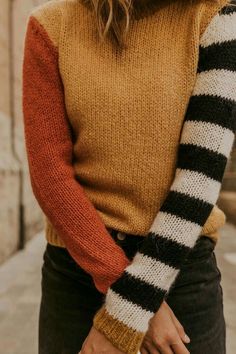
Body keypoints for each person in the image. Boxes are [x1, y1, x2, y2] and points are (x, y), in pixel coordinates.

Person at [22, 0, 236, 352]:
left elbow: (200, 176)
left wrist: (126, 310)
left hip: (181, 270)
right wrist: (131, 295)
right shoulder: (50, 26)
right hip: (79, 271)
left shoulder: (213, 18)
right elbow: (50, 177)